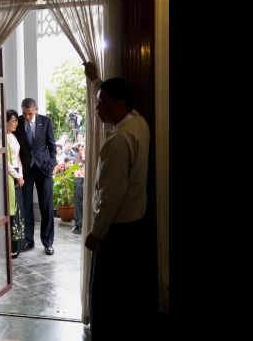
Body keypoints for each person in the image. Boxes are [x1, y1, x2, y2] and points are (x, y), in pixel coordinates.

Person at [82, 61, 151, 340]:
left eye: (102, 103)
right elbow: (115, 98)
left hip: (117, 231)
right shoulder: (139, 122)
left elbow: (110, 196)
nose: (97, 108)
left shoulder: (118, 140)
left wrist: (96, 234)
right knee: (127, 293)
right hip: (136, 225)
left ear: (119, 105)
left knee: (108, 295)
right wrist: (96, 82)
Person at [14, 97, 57, 256]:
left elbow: (52, 145)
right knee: (26, 207)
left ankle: (48, 243)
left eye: (30, 114)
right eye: (25, 113)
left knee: (46, 206)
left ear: (36, 110)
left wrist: (51, 164)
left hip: (44, 169)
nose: (27, 117)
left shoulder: (46, 121)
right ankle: (28, 241)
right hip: (25, 171)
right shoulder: (17, 122)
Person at [6, 109, 26, 258]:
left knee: (18, 209)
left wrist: (21, 176)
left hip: (18, 173)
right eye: (13, 121)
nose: (16, 124)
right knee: (11, 210)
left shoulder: (13, 136)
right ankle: (9, 246)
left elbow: (18, 158)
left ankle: (18, 244)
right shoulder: (0, 138)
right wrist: (16, 176)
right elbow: (5, 162)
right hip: (9, 175)